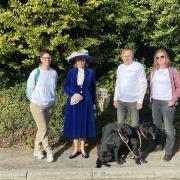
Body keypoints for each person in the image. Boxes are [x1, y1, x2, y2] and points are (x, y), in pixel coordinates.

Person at [63, 49, 96, 159]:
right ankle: (75, 148)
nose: (81, 62)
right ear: (75, 62)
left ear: (85, 61)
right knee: (75, 124)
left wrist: (94, 102)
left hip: (87, 101)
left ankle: (82, 148)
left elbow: (93, 89)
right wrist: (74, 94)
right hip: (74, 102)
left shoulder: (90, 72)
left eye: (82, 60)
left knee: (84, 123)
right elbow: (66, 86)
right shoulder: (71, 73)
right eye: (78, 61)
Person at [26, 51, 58, 162]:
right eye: (45, 58)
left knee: (41, 129)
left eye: (49, 58)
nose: (47, 60)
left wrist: (53, 100)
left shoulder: (54, 73)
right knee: (44, 129)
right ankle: (49, 152)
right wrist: (34, 100)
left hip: (50, 105)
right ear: (41, 59)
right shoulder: (36, 72)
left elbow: (53, 88)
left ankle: (37, 149)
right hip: (37, 105)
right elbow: (29, 89)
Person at [150, 48, 180, 161]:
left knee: (168, 129)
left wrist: (173, 99)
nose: (160, 59)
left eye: (162, 56)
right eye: (157, 57)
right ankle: (158, 144)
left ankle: (168, 152)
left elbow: (179, 87)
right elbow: (151, 86)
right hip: (155, 102)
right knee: (157, 126)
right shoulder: (153, 70)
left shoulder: (173, 70)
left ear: (166, 57)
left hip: (168, 103)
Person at [113, 48, 147, 127]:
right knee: (120, 125)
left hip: (134, 102)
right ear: (122, 57)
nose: (127, 58)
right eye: (125, 56)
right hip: (121, 101)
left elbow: (143, 84)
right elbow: (118, 84)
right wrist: (115, 99)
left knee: (134, 126)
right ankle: (122, 139)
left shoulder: (138, 66)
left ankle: (134, 139)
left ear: (132, 56)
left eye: (129, 56)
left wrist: (140, 101)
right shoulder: (120, 67)